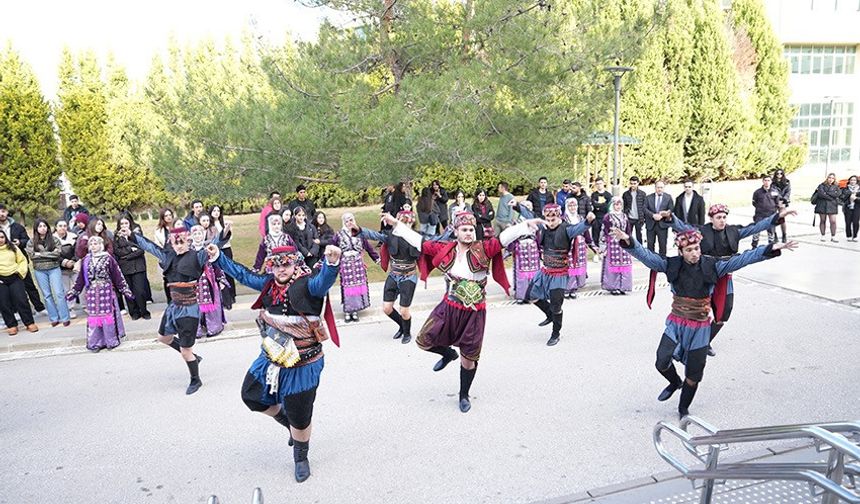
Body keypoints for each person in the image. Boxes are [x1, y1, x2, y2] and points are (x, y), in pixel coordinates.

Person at [611, 227, 796, 419]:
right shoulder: (671, 264)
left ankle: (683, 409)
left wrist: (770, 248)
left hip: (700, 327)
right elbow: (646, 256)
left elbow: (742, 259)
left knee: (694, 375)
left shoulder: (713, 265)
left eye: (696, 248)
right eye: (689, 250)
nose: (694, 253)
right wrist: (628, 240)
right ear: (681, 251)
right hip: (676, 323)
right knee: (661, 361)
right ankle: (675, 382)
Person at [208, 242, 341, 483]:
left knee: (301, 415)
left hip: (303, 364)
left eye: (286, 264)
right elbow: (242, 274)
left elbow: (323, 282)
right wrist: (218, 257)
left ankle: (300, 457)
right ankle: (287, 422)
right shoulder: (268, 284)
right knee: (251, 395)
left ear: (295, 264)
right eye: (276, 266)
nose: (281, 270)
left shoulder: (308, 285)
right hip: (272, 357)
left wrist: (331, 264)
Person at [382, 210, 512, 413]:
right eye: (464, 229)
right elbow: (420, 242)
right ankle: (448, 353)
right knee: (424, 339)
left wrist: (525, 226)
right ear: (456, 231)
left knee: (469, 358)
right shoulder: (445, 249)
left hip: (474, 312)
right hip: (449, 306)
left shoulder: (484, 249)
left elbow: (503, 239)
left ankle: (463, 395)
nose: (468, 233)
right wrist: (396, 224)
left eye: (471, 229)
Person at [670, 204, 795, 356]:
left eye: (724, 217)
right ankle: (682, 343)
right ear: (711, 218)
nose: (722, 220)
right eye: (718, 217)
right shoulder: (701, 231)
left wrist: (778, 217)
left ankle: (704, 341)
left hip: (724, 275)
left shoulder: (733, 231)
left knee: (724, 312)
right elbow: (683, 227)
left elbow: (756, 227)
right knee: (694, 310)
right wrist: (670, 218)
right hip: (703, 274)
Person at [131, 226, 209, 394]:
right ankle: (194, 357)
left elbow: (214, 245)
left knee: (185, 351)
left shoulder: (197, 256)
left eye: (182, 242)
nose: (179, 246)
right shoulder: (168, 256)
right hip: (173, 306)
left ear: (188, 241)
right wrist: (132, 234)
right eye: (176, 243)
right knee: (163, 338)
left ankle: (195, 379)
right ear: (171, 243)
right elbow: (150, 247)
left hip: (189, 309)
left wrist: (224, 234)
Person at [511, 203, 594, 346]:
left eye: (553, 220)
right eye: (548, 220)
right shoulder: (544, 226)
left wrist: (588, 221)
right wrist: (517, 206)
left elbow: (580, 227)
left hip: (559, 274)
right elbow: (530, 215)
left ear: (559, 217)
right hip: (545, 271)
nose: (550, 223)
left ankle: (556, 334)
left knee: (556, 306)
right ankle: (549, 314)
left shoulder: (567, 229)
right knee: (531, 296)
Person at [357, 209, 421, 343]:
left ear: (412, 222)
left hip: (408, 277)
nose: (403, 225)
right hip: (394, 275)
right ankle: (402, 326)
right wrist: (357, 229)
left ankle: (407, 333)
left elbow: (434, 244)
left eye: (406, 222)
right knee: (387, 308)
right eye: (401, 221)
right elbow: (374, 235)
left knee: (404, 311)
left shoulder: (417, 238)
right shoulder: (390, 235)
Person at [66, 236, 133, 352]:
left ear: (101, 245)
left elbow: (117, 275)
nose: (93, 246)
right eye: (91, 244)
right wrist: (74, 292)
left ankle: (110, 341)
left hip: (106, 291)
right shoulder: (86, 260)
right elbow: (81, 279)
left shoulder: (108, 258)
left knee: (107, 317)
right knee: (94, 318)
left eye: (95, 244)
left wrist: (124, 289)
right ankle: (96, 343)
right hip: (92, 292)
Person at [0, 204, 45, 314]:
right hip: (4, 264)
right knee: (10, 290)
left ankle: (39, 307)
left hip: (20, 261)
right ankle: (16, 311)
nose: (1, 214)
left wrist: (20, 242)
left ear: (7, 212)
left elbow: (27, 240)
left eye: (3, 211)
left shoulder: (17, 227)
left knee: (29, 285)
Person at [26, 219, 71, 327]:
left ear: (48, 228)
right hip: (39, 270)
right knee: (47, 295)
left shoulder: (54, 240)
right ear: (36, 228)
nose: (43, 228)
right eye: (40, 226)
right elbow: (32, 256)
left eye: (44, 226)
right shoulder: (31, 242)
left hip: (54, 268)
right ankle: (54, 318)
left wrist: (40, 254)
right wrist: (48, 254)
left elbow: (57, 254)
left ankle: (65, 317)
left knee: (59, 293)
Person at [336, 213, 379, 323]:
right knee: (347, 287)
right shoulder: (339, 235)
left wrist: (377, 259)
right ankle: (347, 311)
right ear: (344, 222)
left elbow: (368, 247)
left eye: (351, 220)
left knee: (356, 287)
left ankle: (355, 311)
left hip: (357, 264)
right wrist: (323, 261)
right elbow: (332, 247)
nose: (349, 223)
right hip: (346, 265)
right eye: (347, 221)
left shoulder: (359, 233)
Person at [189, 224, 226, 338]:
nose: (198, 236)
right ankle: (196, 330)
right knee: (194, 307)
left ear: (203, 235)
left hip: (209, 280)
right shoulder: (188, 251)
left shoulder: (209, 248)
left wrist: (221, 279)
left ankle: (213, 328)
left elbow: (216, 264)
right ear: (191, 236)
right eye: (195, 234)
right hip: (193, 282)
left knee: (212, 305)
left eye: (200, 233)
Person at [114, 214, 152, 321]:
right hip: (125, 267)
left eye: (126, 223)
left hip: (138, 266)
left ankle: (144, 311)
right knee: (129, 291)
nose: (124, 226)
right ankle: (134, 312)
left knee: (140, 291)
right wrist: (131, 249)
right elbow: (118, 251)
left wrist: (127, 256)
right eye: (122, 224)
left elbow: (141, 249)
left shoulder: (136, 235)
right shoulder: (116, 237)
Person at [0, 230, 38, 335]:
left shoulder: (13, 248)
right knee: (4, 303)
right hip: (1, 280)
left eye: (2, 237)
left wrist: (20, 272)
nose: (0, 239)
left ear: (5, 238)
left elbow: (22, 260)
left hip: (15, 277)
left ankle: (29, 323)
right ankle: (11, 325)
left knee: (21, 300)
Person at [563, 198, 598, 299]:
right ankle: (566, 288)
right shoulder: (563, 219)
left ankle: (574, 288)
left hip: (580, 246)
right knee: (569, 267)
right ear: (567, 207)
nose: (572, 208)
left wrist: (592, 245)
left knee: (578, 266)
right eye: (570, 206)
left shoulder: (581, 218)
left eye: (574, 205)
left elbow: (586, 233)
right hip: (569, 246)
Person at [601, 197, 633, 295]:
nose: (618, 206)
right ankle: (614, 287)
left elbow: (628, 230)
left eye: (620, 204)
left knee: (624, 263)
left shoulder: (624, 216)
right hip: (612, 243)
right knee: (613, 264)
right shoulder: (608, 217)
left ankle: (624, 286)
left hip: (623, 242)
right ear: (612, 205)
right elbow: (604, 231)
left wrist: (629, 241)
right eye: (616, 204)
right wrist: (604, 246)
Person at [209, 205, 235, 309]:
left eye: (218, 211)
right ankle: (223, 297)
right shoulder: (210, 225)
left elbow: (229, 237)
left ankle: (232, 294)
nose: (216, 212)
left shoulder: (224, 223)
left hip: (226, 248)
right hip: (217, 250)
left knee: (229, 271)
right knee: (219, 273)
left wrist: (227, 228)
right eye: (214, 210)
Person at [54, 220, 79, 318]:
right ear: (56, 227)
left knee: (76, 287)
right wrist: (64, 262)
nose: (62, 228)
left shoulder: (73, 237)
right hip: (60, 268)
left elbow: (77, 251)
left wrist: (73, 261)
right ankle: (69, 308)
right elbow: (53, 254)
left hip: (74, 266)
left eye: (64, 225)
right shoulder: (51, 239)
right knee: (65, 289)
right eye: (60, 226)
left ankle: (85, 306)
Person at [644, 180, 673, 256]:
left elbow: (671, 209)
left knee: (662, 245)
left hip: (662, 225)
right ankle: (651, 262)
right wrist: (653, 215)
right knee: (650, 245)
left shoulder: (668, 197)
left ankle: (662, 261)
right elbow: (644, 209)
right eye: (658, 187)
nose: (659, 189)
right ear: (655, 188)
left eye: (661, 187)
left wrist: (663, 215)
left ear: (664, 188)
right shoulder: (648, 197)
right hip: (651, 225)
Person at [750, 175, 781, 247]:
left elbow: (778, 203)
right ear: (763, 181)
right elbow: (754, 203)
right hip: (760, 215)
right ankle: (754, 246)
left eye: (768, 180)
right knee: (756, 231)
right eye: (765, 180)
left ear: (771, 181)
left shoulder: (775, 192)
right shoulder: (757, 192)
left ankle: (771, 246)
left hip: (771, 215)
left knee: (771, 232)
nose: (767, 182)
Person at [154, 208, 176, 302]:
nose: (168, 217)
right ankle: (169, 300)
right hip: (166, 257)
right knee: (167, 279)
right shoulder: (159, 230)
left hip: (177, 256)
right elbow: (157, 245)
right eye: (166, 215)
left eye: (170, 215)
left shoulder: (177, 226)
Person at [814, 173, 841, 242]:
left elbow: (838, 194)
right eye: (829, 177)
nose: (831, 179)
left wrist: (827, 193)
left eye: (832, 178)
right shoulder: (821, 185)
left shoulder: (836, 186)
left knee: (833, 221)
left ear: (834, 179)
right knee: (823, 220)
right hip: (822, 205)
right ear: (827, 178)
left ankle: (833, 236)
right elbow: (821, 194)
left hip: (832, 206)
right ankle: (823, 235)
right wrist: (831, 196)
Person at [622, 176, 646, 244]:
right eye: (631, 183)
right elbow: (623, 206)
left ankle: (640, 249)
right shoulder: (626, 194)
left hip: (639, 218)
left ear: (638, 183)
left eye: (634, 183)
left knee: (639, 236)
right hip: (629, 218)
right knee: (628, 235)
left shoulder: (642, 194)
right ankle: (629, 248)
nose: (633, 185)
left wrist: (643, 217)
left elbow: (644, 207)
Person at [590, 178, 612, 247]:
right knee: (595, 234)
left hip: (605, 217)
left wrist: (599, 206)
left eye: (600, 183)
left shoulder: (608, 195)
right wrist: (601, 205)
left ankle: (606, 248)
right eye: (597, 184)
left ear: (603, 183)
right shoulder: (594, 195)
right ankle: (596, 247)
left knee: (606, 234)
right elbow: (594, 205)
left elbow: (608, 206)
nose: (599, 185)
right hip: (596, 217)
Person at [772, 169, 791, 242]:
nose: (779, 175)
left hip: (783, 202)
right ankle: (774, 235)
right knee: (773, 219)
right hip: (774, 202)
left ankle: (784, 235)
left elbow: (788, 192)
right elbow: (773, 192)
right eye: (777, 173)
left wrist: (783, 200)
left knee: (782, 219)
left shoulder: (787, 182)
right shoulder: (772, 182)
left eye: (781, 173)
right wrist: (778, 200)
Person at [841, 175, 860, 242]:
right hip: (847, 207)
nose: (853, 181)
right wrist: (849, 195)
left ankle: (855, 236)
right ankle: (848, 235)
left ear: (857, 181)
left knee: (856, 222)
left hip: (857, 207)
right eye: (851, 180)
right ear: (849, 181)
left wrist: (856, 198)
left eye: (854, 180)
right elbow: (842, 198)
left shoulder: (859, 189)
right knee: (848, 222)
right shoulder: (845, 189)